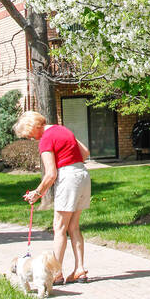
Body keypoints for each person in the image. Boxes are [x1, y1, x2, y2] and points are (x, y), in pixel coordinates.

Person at [14, 110, 92, 284]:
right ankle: (80, 270)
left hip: (68, 178)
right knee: (74, 226)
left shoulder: (46, 139)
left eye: (28, 134)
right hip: (83, 175)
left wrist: (37, 193)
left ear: (33, 126)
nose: (30, 139)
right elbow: (85, 152)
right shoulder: (63, 130)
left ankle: (56, 273)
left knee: (59, 227)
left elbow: (51, 174)